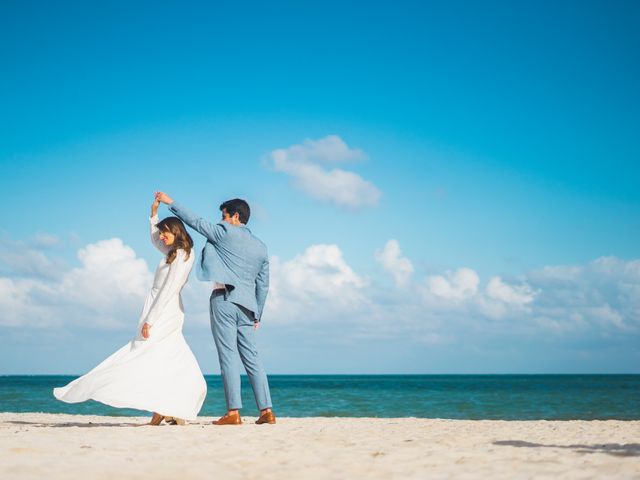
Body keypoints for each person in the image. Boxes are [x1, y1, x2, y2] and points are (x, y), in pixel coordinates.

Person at [53, 196, 207, 425]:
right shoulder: (172, 252)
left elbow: (168, 290)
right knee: (158, 357)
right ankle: (165, 407)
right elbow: (155, 240)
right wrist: (153, 213)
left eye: (165, 232)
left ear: (176, 231)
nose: (161, 236)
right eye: (162, 232)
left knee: (148, 354)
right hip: (157, 307)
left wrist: (150, 320)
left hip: (165, 310)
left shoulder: (184, 254)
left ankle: (170, 404)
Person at [155, 191, 275, 425]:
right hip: (249, 307)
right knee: (253, 358)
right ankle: (266, 411)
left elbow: (196, 222)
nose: (220, 220)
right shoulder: (261, 247)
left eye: (223, 216)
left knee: (228, 356)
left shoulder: (223, 233)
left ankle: (233, 413)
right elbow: (263, 284)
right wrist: (258, 313)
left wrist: (170, 203)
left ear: (235, 217)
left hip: (224, 300)